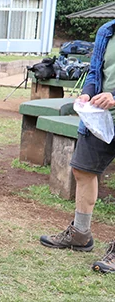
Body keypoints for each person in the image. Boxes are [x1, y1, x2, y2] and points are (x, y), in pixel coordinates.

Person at [39, 18, 115, 274]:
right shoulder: (107, 31)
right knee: (83, 170)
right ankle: (80, 234)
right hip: (101, 119)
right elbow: (95, 72)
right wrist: (89, 93)